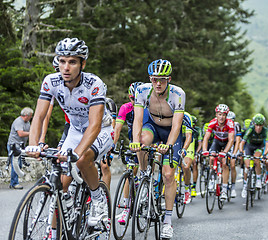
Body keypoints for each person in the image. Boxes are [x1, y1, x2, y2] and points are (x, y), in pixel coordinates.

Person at [25, 38, 114, 228]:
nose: (65, 67)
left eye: (72, 62)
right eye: (62, 61)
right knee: (61, 184)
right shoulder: (51, 81)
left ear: (82, 64)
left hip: (101, 130)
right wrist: (33, 144)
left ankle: (98, 198)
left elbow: (94, 125)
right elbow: (39, 117)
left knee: (82, 160)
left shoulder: (94, 84)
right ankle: (58, 230)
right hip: (74, 130)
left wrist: (76, 152)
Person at [130, 59, 185, 239]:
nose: (158, 83)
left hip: (171, 131)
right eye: (154, 79)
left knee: (169, 174)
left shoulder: (178, 94)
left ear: (169, 79)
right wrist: (135, 141)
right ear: (150, 79)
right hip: (152, 125)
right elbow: (138, 120)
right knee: (142, 141)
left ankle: (167, 222)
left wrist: (168, 145)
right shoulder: (142, 91)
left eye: (162, 79)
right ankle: (144, 175)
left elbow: (177, 126)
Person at [114, 81, 143, 224]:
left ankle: (150, 194)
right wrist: (112, 145)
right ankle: (126, 208)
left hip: (148, 140)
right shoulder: (126, 108)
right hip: (133, 142)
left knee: (145, 170)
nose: (136, 102)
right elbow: (117, 128)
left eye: (138, 99)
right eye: (133, 99)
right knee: (129, 172)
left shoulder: (149, 108)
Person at [202, 104, 235, 201]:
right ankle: (212, 178)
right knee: (212, 157)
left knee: (224, 163)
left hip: (226, 143)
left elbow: (231, 140)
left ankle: (224, 189)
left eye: (224, 115)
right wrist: (204, 150)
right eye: (220, 114)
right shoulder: (212, 123)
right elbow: (206, 138)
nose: (221, 117)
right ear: (216, 114)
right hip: (217, 141)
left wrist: (225, 152)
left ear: (226, 116)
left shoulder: (230, 124)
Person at [239, 113, 268, 198]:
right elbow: (242, 142)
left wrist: (264, 154)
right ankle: (245, 187)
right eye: (257, 125)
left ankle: (258, 180)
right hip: (249, 147)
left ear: (263, 125)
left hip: (259, 147)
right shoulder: (250, 129)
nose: (258, 128)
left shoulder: (266, 131)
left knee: (257, 160)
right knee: (247, 166)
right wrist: (241, 151)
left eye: (260, 125)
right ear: (254, 124)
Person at [7, 107, 33, 189]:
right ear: (26, 115)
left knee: (20, 165)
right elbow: (20, 134)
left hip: (20, 146)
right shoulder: (18, 121)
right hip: (14, 146)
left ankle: (13, 182)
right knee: (16, 164)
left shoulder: (27, 122)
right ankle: (14, 183)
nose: (31, 117)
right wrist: (32, 133)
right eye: (30, 116)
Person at [227, 111, 242, 198]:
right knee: (223, 162)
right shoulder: (224, 125)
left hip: (234, 144)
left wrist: (235, 152)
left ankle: (233, 187)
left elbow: (238, 140)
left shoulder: (236, 125)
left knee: (232, 165)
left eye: (232, 120)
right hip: (225, 143)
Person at [191, 115, 203, 197]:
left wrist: (196, 153)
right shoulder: (184, 128)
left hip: (194, 148)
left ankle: (194, 187)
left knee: (194, 164)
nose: (193, 126)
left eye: (194, 124)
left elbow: (200, 143)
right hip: (186, 147)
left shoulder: (198, 130)